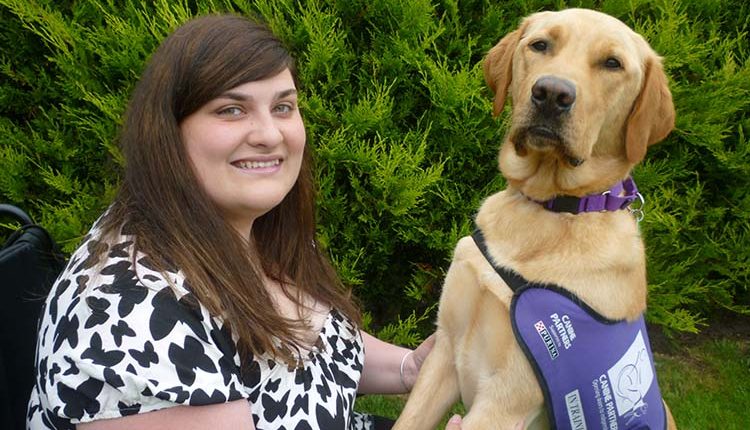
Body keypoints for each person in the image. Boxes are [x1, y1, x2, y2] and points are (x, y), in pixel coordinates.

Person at [26, 13, 469, 430]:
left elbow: (312, 350)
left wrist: (409, 370)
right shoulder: (131, 317)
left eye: (283, 107)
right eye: (231, 110)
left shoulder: (251, 229)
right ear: (168, 133)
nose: (269, 134)